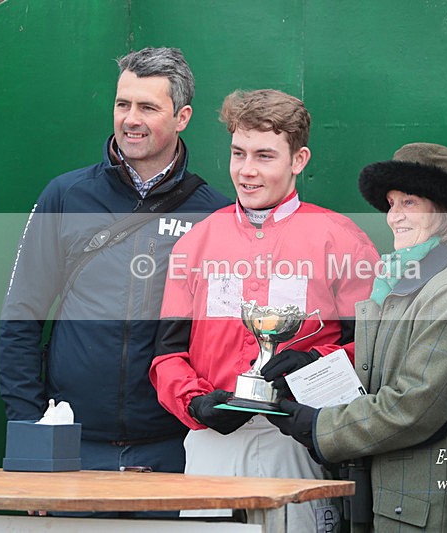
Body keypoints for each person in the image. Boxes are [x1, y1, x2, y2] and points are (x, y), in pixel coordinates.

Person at [0, 47, 230, 517]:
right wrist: (33, 435)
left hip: (175, 451)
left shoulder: (215, 214)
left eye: (148, 107)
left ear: (182, 116)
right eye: (123, 104)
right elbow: (21, 316)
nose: (130, 119)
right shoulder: (66, 194)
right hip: (72, 450)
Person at [149, 88, 380, 532]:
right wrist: (196, 406)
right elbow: (166, 356)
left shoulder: (342, 239)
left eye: (264, 156)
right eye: (238, 153)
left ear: (298, 160)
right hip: (212, 444)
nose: (247, 171)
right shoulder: (195, 243)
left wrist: (315, 365)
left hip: (296, 440)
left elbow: (371, 352)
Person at [266, 142, 447, 532]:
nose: (394, 217)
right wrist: (313, 369)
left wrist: (320, 427)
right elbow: (377, 375)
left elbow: (413, 409)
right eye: (392, 204)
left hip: (429, 516)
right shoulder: (403, 283)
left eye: (409, 203)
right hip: (393, 507)